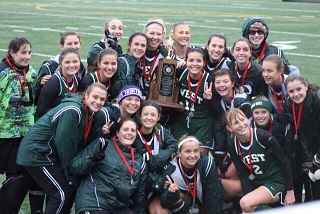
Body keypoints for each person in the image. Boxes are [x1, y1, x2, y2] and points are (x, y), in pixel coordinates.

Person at [16, 83, 108, 213]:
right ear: (86, 95)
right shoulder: (73, 110)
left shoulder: (87, 111)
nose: (98, 102)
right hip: (38, 153)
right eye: (95, 97)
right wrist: (70, 176)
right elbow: (66, 147)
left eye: (102, 99)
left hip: (48, 153)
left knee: (65, 191)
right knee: (61, 193)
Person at [70, 118, 147, 214]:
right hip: (94, 203)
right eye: (125, 129)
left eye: (133, 130)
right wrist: (92, 159)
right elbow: (74, 167)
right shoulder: (102, 144)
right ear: (118, 133)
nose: (129, 133)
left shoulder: (140, 161)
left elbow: (139, 197)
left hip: (118, 207)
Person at [225, 108, 295, 211]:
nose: (241, 124)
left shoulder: (263, 136)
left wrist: (290, 191)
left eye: (242, 119)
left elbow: (284, 161)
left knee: (245, 203)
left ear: (247, 119)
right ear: (229, 128)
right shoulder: (232, 144)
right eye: (236, 122)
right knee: (246, 207)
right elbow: (243, 174)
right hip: (257, 182)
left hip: (275, 182)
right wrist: (248, 197)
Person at [0, 37, 38, 213]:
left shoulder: (31, 73)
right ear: (12, 53)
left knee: (15, 175)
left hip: (22, 134)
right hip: (3, 133)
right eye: (23, 52)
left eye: (29, 52)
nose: (27, 56)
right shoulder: (2, 73)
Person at [159, 135, 223, 214]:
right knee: (176, 197)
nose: (192, 156)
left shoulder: (207, 163)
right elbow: (163, 202)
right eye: (188, 151)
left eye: (196, 151)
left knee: (219, 190)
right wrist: (171, 193)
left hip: (204, 195)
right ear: (179, 152)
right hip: (186, 199)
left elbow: (213, 195)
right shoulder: (170, 168)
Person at [135, 100, 177, 214]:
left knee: (160, 211)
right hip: (138, 185)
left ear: (158, 117)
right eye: (146, 114)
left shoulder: (160, 130)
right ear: (140, 116)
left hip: (155, 185)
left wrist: (156, 160)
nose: (149, 118)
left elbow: (173, 144)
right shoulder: (133, 133)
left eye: (153, 115)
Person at [284, 73, 320, 200]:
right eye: (291, 91)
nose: (296, 94)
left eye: (298, 89)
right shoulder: (289, 104)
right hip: (306, 152)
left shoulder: (317, 100)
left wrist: (317, 158)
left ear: (306, 87)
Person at [173, 48, 214, 155]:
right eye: (191, 60)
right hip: (182, 120)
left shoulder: (209, 80)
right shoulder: (180, 72)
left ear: (204, 62)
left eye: (199, 61)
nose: (194, 64)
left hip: (202, 123)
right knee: (176, 155)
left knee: (199, 158)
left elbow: (217, 109)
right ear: (185, 61)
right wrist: (176, 102)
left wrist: (210, 100)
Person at [210, 68, 251, 166]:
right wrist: (219, 153)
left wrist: (230, 154)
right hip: (230, 146)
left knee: (229, 173)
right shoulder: (218, 101)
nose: (221, 85)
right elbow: (219, 129)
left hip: (246, 147)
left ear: (232, 83)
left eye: (225, 81)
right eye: (218, 82)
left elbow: (244, 131)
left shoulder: (241, 101)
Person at [36, 47, 81, 118]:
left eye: (75, 61)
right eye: (67, 62)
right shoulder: (53, 83)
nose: (72, 65)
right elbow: (41, 111)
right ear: (61, 64)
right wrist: (64, 114)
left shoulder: (77, 80)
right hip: (50, 126)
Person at [137, 21, 167, 98]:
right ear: (145, 34)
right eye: (152, 33)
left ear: (163, 36)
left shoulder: (167, 56)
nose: (155, 37)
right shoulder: (136, 53)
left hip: (157, 99)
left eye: (159, 34)